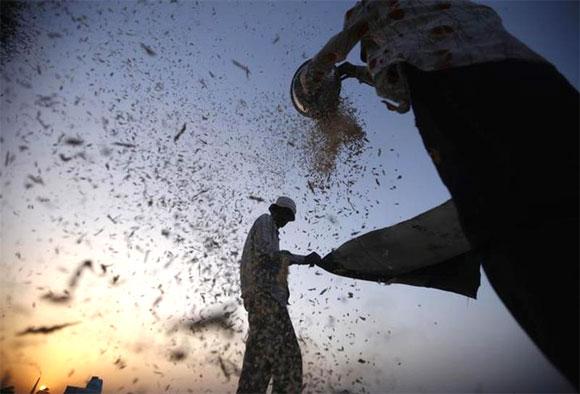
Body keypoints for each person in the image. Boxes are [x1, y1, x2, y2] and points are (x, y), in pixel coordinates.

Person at [301, 0, 579, 389]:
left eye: (374, 52)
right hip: (535, 80)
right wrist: (360, 74)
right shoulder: (452, 13)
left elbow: (345, 45)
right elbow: (410, 60)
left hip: (460, 92)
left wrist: (315, 77)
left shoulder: (377, 9)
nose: (377, 57)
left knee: (504, 220)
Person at [237, 196, 321, 394]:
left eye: (289, 218)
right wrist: (304, 258)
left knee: (259, 365)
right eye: (284, 215)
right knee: (288, 360)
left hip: (260, 300)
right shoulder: (265, 221)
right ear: (275, 210)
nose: (285, 220)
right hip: (266, 300)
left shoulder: (273, 231)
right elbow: (269, 256)